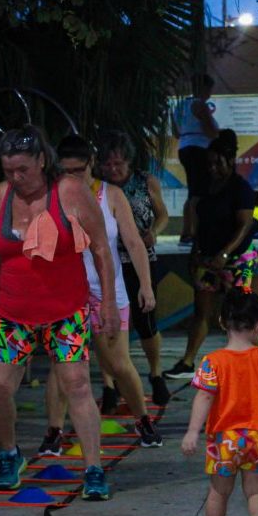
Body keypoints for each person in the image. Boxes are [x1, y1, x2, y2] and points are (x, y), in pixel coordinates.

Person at [0, 125, 116, 500]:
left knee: (76, 383)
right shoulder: (0, 196)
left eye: (23, 169)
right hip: (14, 312)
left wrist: (106, 302)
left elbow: (102, 251)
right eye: (9, 170)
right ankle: (9, 454)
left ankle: (93, 469)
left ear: (42, 161)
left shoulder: (70, 191)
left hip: (66, 310)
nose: (16, 177)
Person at [37, 135, 162, 456]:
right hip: (67, 294)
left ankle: (143, 420)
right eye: (65, 171)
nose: (73, 177)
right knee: (61, 365)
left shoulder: (112, 195)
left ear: (91, 164)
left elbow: (134, 243)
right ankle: (54, 431)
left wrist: (145, 286)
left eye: (79, 170)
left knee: (118, 364)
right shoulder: (52, 195)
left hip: (108, 292)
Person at [181, 287, 258, 516]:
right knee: (256, 491)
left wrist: (192, 431)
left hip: (225, 436)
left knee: (219, 492)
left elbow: (204, 397)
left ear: (222, 322)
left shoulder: (212, 361)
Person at [163, 130, 258, 379]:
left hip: (237, 259)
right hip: (208, 257)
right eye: (210, 164)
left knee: (240, 312)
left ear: (230, 160)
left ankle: (246, 360)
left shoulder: (241, 189)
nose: (213, 168)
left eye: (218, 163)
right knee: (201, 310)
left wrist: (225, 255)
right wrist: (196, 252)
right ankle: (187, 362)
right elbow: (201, 226)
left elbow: (244, 226)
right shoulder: (206, 188)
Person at [97, 130, 171, 407]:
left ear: (129, 162)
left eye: (119, 164)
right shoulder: (97, 188)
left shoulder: (145, 182)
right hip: (108, 263)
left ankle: (155, 373)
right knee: (106, 324)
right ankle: (109, 384)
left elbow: (162, 213)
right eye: (108, 164)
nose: (114, 169)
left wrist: (154, 231)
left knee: (147, 321)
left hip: (142, 258)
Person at [172, 73, 220, 245]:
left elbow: (176, 132)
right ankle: (196, 232)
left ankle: (187, 232)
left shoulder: (179, 105)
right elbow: (210, 131)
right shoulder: (200, 105)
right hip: (199, 149)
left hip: (185, 148)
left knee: (193, 191)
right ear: (204, 88)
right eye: (209, 90)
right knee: (200, 192)